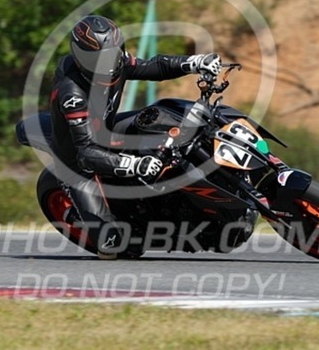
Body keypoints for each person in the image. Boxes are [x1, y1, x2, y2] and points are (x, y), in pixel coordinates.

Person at [50, 15, 221, 259]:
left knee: (161, 120)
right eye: (98, 60)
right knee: (111, 248)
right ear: (80, 57)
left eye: (112, 55)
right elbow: (86, 152)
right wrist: (134, 164)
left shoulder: (117, 61)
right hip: (78, 161)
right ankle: (84, 218)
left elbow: (154, 66)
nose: (108, 65)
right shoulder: (73, 94)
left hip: (107, 129)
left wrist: (194, 62)